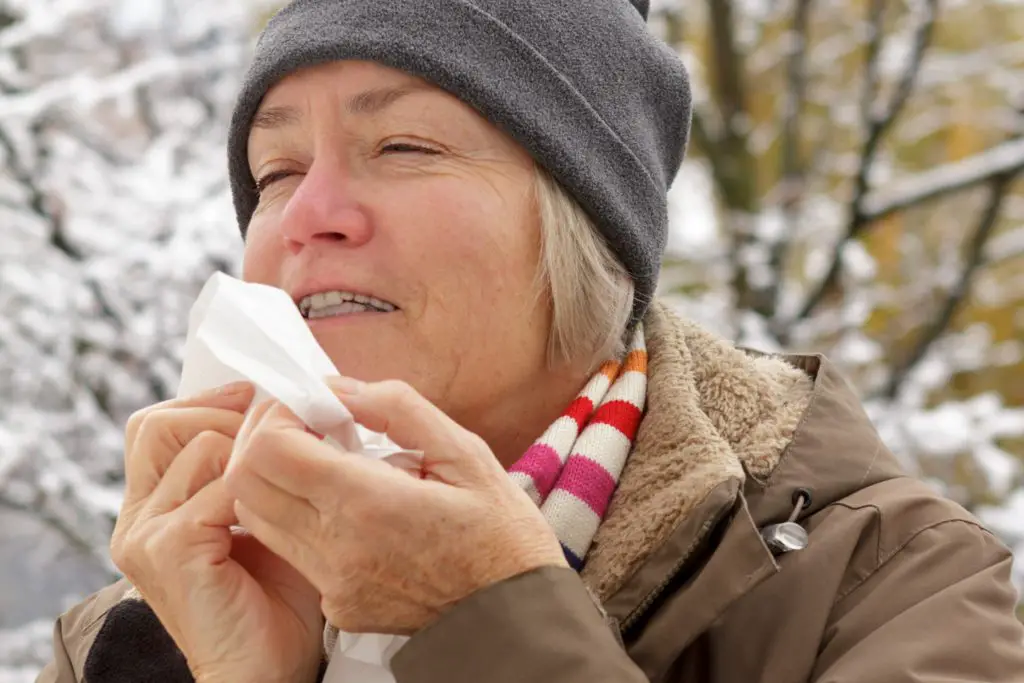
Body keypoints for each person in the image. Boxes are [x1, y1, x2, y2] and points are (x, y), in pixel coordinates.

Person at [37, 1, 1024, 681]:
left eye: (403, 146)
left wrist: (483, 622)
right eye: (276, 167)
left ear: (580, 224)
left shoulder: (889, 583)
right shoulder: (141, 621)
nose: (309, 215)